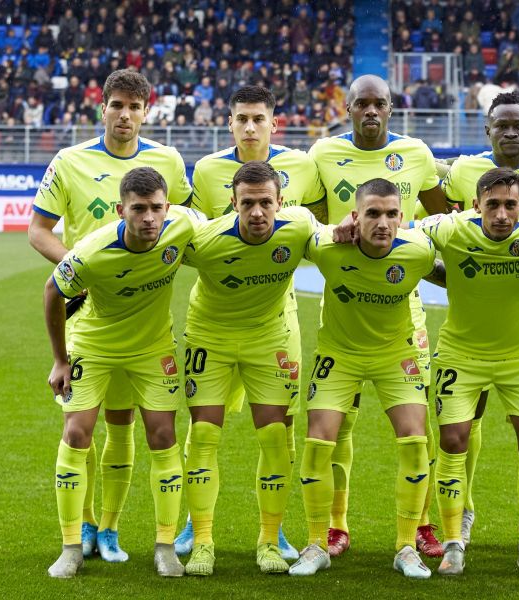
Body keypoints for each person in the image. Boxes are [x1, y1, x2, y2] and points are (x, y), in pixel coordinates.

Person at [29, 69, 193, 564]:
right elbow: (39, 230)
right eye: (116, 105)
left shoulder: (167, 160)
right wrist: (88, 272)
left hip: (146, 318)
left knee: (123, 427)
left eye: (134, 107)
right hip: (88, 305)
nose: (125, 116)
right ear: (102, 108)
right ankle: (78, 527)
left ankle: (111, 530)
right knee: (81, 427)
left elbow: (184, 227)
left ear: (148, 111)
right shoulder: (70, 160)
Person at [174, 84, 325, 560]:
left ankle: (272, 534)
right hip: (213, 321)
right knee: (202, 432)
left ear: (273, 122)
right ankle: (196, 533)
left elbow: (319, 222)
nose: (250, 126)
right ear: (231, 122)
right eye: (242, 118)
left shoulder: (302, 167)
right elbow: (191, 235)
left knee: (277, 432)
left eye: (259, 118)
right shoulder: (207, 170)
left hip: (275, 322)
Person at [308, 74, 448, 558]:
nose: (371, 111)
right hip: (343, 305)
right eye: (361, 104)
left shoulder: (417, 154)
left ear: (392, 108)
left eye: (379, 104)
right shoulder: (322, 154)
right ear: (346, 108)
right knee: (337, 426)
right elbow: (309, 222)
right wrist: (338, 229)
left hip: (404, 311)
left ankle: (423, 524)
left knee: (416, 427)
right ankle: (335, 525)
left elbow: (441, 215)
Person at [44, 167, 201, 578]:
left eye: (156, 209)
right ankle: (71, 547)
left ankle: (165, 547)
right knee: (77, 434)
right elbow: (51, 291)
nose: (149, 218)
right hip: (94, 345)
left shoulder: (181, 224)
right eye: (138, 209)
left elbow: (225, 228)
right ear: (121, 210)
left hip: (152, 349)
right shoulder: (93, 251)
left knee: (163, 435)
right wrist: (61, 360)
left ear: (168, 207)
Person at [288, 179, 441, 579]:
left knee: (415, 440)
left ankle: (406, 546)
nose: (383, 222)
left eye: (392, 214)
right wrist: (331, 226)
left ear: (403, 219)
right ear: (356, 217)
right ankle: (316, 543)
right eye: (372, 213)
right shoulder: (327, 247)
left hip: (396, 355)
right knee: (319, 441)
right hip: (339, 355)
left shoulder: (419, 251)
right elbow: (299, 224)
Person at [441, 91, 519, 551]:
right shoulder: (462, 173)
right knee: (464, 421)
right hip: (474, 320)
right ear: (488, 129)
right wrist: (462, 280)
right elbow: (443, 228)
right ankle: (465, 509)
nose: (511, 132)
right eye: (502, 125)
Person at [420, 168, 519, 577]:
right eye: (492, 204)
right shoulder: (449, 228)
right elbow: (407, 235)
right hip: (461, 356)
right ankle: (453, 543)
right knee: (453, 440)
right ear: (476, 204)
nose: (501, 214)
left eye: (510, 205)